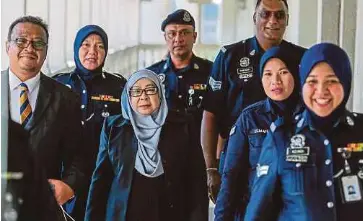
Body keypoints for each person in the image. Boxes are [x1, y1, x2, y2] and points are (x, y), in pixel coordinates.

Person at [201, 0, 306, 203]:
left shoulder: (301, 58)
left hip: (288, 160)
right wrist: (211, 168)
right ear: (254, 18)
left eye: (279, 15)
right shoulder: (230, 56)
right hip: (238, 160)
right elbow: (211, 113)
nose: (272, 21)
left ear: (287, 20)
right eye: (265, 14)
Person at [244, 43, 363, 221]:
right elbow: (257, 213)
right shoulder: (281, 136)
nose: (321, 91)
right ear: (302, 84)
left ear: (345, 82)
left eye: (332, 81)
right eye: (312, 81)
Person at [85, 69, 208, 221]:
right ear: (128, 97)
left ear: (160, 93)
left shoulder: (182, 125)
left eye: (150, 90)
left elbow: (196, 181)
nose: (143, 96)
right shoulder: (113, 127)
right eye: (136, 91)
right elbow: (100, 182)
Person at [3, 15, 85, 212]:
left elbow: (80, 155)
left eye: (38, 43)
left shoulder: (65, 98)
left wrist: (68, 185)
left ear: (46, 51)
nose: (29, 48)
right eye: (21, 40)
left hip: (42, 204)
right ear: (7, 47)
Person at [214, 46, 302, 221]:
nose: (275, 81)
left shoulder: (308, 117)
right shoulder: (249, 118)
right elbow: (230, 176)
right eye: (268, 74)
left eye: (283, 72)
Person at [53, 24, 126, 220]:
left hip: (104, 176)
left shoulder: (118, 87)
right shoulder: (58, 85)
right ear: (76, 48)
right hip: (66, 178)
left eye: (99, 46)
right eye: (86, 45)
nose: (92, 52)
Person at [147, 9, 213, 132]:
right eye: (172, 34)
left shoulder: (212, 72)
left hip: (199, 147)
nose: (178, 39)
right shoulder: (151, 75)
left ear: (194, 37)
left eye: (184, 32)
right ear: (165, 38)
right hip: (163, 146)